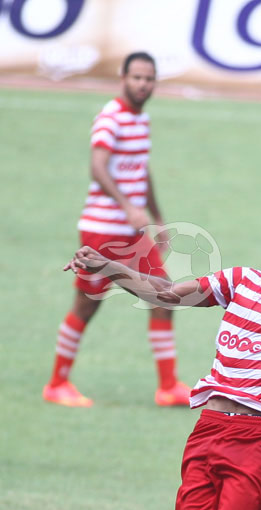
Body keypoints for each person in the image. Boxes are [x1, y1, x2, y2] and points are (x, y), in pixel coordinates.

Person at [63, 214, 261, 510]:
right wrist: (109, 266)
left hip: (260, 439)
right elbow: (168, 294)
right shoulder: (240, 282)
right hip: (209, 429)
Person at [43, 51, 191, 407]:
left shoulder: (142, 120)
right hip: (103, 231)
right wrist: (128, 207)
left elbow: (140, 171)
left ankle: (168, 386)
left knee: (165, 296)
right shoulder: (111, 118)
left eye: (149, 78)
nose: (143, 84)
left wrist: (156, 217)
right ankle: (57, 383)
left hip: (133, 233)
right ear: (123, 78)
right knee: (86, 306)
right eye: (137, 77)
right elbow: (98, 167)